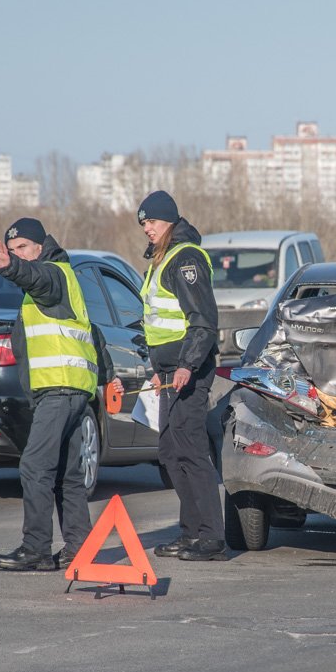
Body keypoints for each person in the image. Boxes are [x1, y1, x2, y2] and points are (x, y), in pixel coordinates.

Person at [0, 217, 98, 571]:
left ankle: (35, 549)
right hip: (74, 389)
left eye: (22, 247)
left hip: (60, 389)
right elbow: (90, 331)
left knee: (35, 466)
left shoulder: (53, 273)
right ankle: (80, 548)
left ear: (40, 245)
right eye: (12, 249)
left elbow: (38, 279)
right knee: (68, 473)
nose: (17, 254)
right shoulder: (62, 279)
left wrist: (10, 268)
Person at [137, 191, 227, 561]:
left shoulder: (185, 258)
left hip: (189, 370)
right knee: (171, 452)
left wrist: (187, 365)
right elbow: (158, 323)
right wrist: (156, 368)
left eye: (153, 221)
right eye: (143, 223)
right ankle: (190, 533)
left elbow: (203, 320)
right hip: (169, 372)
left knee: (190, 449)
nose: (147, 228)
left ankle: (211, 537)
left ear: (170, 221)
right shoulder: (161, 259)